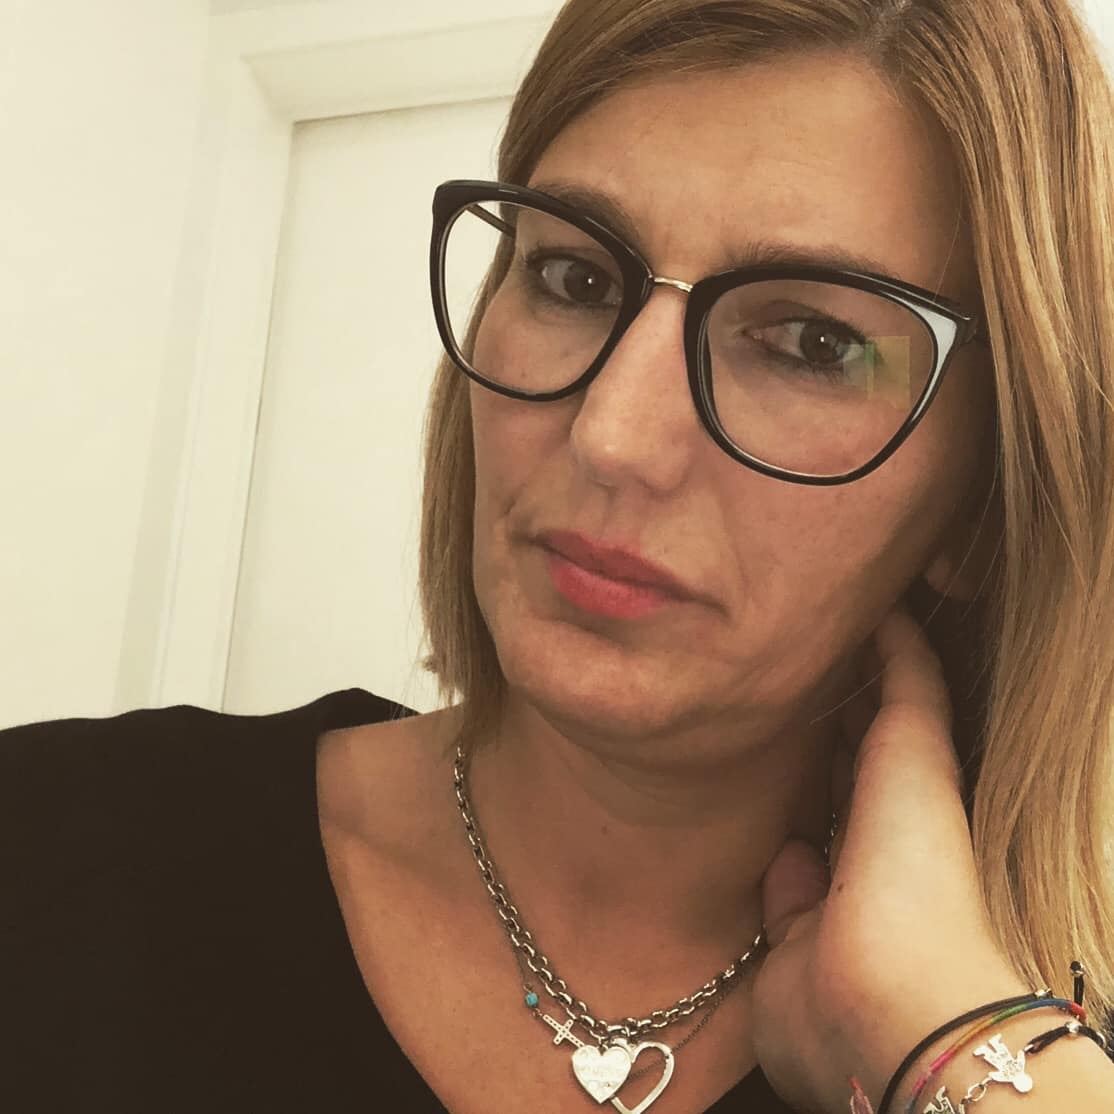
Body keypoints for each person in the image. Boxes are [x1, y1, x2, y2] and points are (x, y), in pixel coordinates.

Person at [3, 0, 1113, 1111]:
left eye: (812, 344)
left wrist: (945, 1045)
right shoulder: (53, 845)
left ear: (987, 502)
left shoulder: (1057, 1059)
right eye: (575, 278)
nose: (612, 436)